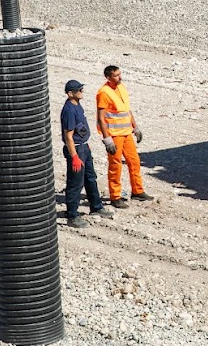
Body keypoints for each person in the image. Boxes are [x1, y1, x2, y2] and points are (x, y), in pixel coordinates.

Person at [97, 65, 154, 209]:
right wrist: (107, 139)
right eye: (116, 75)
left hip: (126, 132)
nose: (120, 77)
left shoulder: (121, 88)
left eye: (119, 74)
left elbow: (126, 110)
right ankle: (115, 196)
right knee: (115, 165)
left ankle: (137, 191)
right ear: (108, 78)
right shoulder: (104, 93)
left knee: (134, 161)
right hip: (114, 135)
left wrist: (135, 127)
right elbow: (101, 118)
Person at [60, 79, 112, 228]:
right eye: (79, 90)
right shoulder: (69, 110)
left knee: (90, 178)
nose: (82, 91)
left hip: (83, 147)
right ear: (70, 93)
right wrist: (75, 157)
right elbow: (68, 136)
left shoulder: (77, 105)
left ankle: (96, 206)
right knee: (75, 183)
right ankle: (72, 215)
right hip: (76, 150)